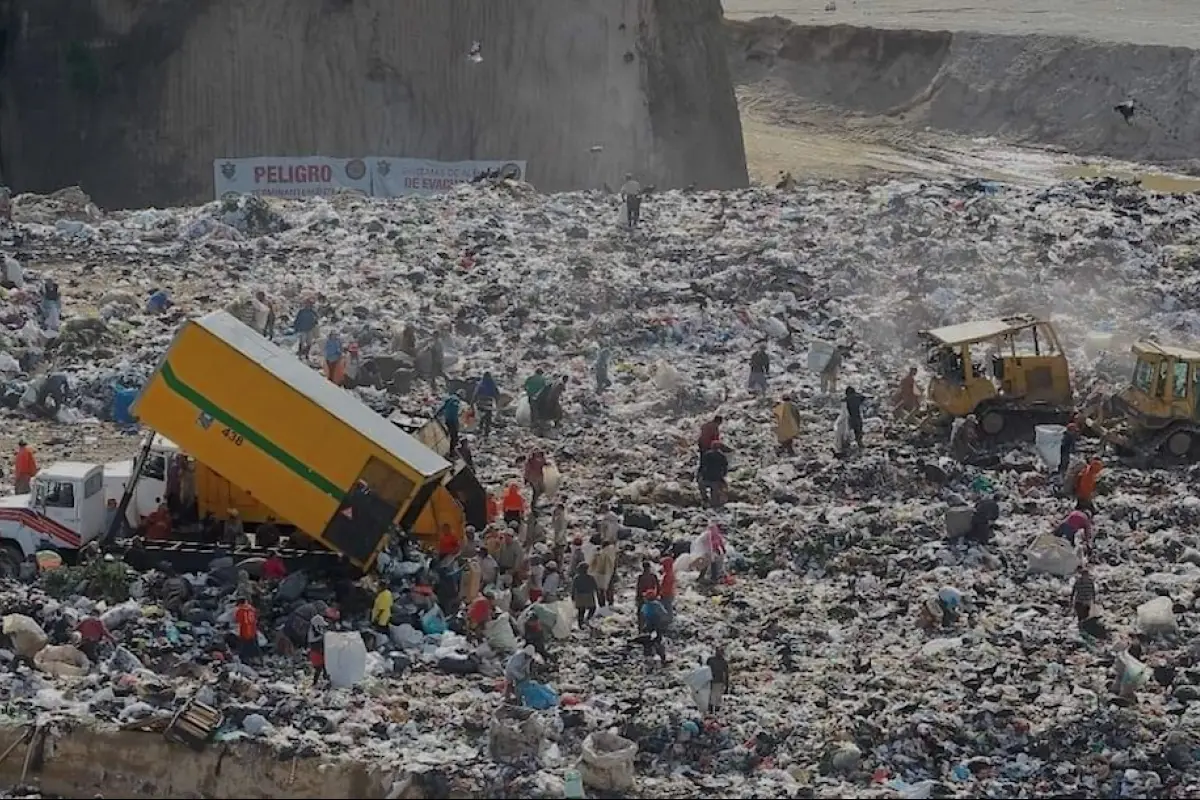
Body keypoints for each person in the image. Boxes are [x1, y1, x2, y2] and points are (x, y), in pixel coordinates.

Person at [640, 589, 669, 664]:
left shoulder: (645, 606)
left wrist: (643, 626)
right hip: (658, 626)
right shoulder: (657, 605)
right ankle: (663, 658)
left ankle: (648, 658)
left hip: (649, 626)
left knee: (648, 642)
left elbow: (643, 616)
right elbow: (664, 614)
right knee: (658, 641)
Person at [698, 440, 729, 508]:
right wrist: (722, 477)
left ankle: (705, 500)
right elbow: (725, 468)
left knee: (701, 486)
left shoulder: (707, 454)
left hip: (706, 478)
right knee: (715, 496)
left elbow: (702, 466)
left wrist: (700, 475)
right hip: (716, 479)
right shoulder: (722, 456)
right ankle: (714, 504)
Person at [589, 540, 617, 608]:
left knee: (600, 590)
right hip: (610, 572)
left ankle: (602, 604)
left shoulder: (600, 553)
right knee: (610, 588)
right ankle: (610, 603)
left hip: (600, 574)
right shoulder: (613, 552)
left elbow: (593, 564)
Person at [635, 561, 661, 631]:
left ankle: (641, 629)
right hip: (651, 597)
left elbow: (638, 589)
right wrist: (657, 596)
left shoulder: (641, 577)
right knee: (651, 614)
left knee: (641, 614)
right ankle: (650, 629)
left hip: (644, 598)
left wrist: (637, 598)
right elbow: (658, 587)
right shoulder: (653, 576)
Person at [234, 597, 260, 663]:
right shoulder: (252, 610)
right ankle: (256, 659)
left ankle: (246, 660)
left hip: (244, 632)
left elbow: (238, 621)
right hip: (253, 631)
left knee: (244, 648)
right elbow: (256, 619)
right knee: (254, 646)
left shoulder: (240, 611)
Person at [474, 372, 500, 437]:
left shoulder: (480, 384)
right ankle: (486, 433)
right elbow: (497, 394)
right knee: (488, 419)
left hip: (480, 404)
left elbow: (475, 394)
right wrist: (497, 403)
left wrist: (472, 403)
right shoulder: (492, 385)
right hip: (488, 405)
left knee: (481, 417)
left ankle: (480, 429)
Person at [706, 646, 729, 713]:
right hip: (714, 681)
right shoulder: (713, 660)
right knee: (714, 697)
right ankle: (713, 712)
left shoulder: (720, 661)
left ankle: (713, 712)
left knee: (715, 698)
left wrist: (727, 685)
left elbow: (726, 674)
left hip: (716, 681)